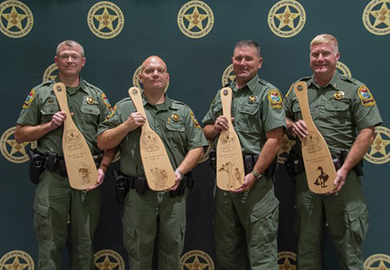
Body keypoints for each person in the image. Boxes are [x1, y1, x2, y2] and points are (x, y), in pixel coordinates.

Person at [97, 55, 208, 269]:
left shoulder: (182, 111)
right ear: (140, 78)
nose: (155, 74)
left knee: (172, 255)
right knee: (138, 256)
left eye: (160, 71)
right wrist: (126, 127)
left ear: (167, 77)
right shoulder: (124, 109)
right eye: (149, 71)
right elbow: (102, 142)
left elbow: (198, 147)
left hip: (173, 196)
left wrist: (180, 172)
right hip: (138, 197)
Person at [284, 34, 382, 270]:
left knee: (349, 247)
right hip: (307, 179)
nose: (320, 59)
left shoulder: (354, 90)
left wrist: (345, 169)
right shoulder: (299, 89)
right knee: (306, 248)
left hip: (343, 179)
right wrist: (291, 125)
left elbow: (367, 132)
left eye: (325, 53)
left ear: (336, 57)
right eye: (315, 54)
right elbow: (282, 119)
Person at [15, 40, 115, 270]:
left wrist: (104, 168)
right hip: (52, 178)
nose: (70, 60)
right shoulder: (40, 93)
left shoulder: (97, 97)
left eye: (74, 56)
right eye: (64, 56)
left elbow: (112, 140)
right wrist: (48, 126)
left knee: (85, 243)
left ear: (83, 62)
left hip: (87, 176)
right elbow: (20, 134)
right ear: (56, 61)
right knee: (49, 242)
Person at [202, 40, 286, 269]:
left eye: (248, 58)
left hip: (255, 184)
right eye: (238, 58)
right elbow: (206, 131)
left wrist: (256, 174)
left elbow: (275, 139)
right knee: (227, 251)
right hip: (225, 183)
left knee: (262, 253)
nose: (243, 63)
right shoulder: (223, 94)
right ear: (232, 62)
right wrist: (216, 127)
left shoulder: (268, 94)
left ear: (259, 62)